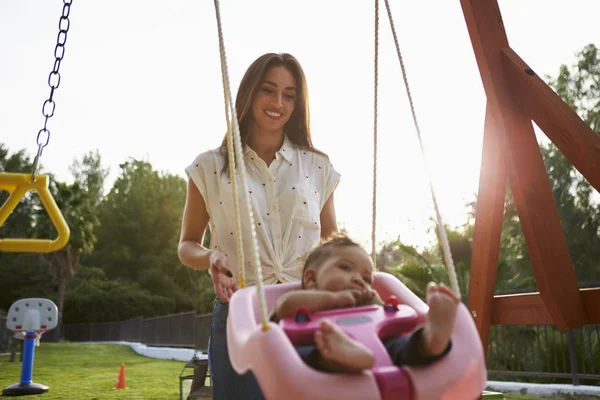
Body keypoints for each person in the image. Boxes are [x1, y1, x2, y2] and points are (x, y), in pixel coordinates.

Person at [178, 53, 340, 399]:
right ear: (250, 93)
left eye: (289, 94)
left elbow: (332, 248)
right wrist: (212, 259)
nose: (277, 103)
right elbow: (187, 245)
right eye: (268, 90)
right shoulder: (210, 167)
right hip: (241, 316)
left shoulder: (318, 166)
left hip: (306, 314)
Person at [272, 234, 459, 374]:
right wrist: (334, 299)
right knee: (298, 356)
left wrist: (376, 304)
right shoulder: (308, 298)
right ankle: (338, 358)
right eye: (345, 268)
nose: (359, 280)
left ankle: (430, 341)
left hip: (374, 355)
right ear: (312, 279)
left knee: (398, 344)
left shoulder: (363, 304)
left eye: (366, 278)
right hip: (315, 361)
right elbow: (285, 306)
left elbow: (391, 322)